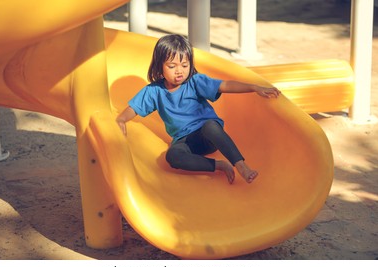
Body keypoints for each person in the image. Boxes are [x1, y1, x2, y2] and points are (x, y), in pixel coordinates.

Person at [116, 34, 280, 184]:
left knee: (210, 125)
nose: (179, 71)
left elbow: (225, 85)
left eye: (184, 65)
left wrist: (254, 87)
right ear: (160, 67)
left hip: (207, 136)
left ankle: (241, 165)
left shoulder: (195, 81)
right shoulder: (154, 91)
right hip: (184, 141)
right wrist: (121, 119)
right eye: (172, 66)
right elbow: (135, 108)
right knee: (172, 156)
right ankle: (219, 165)